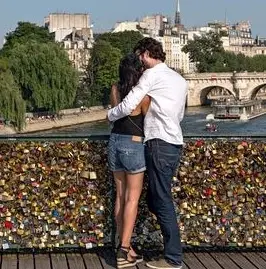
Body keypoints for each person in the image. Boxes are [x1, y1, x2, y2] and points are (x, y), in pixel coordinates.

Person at [108, 37, 188, 269]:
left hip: (156, 142)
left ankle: (172, 258)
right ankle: (138, 248)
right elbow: (180, 115)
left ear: (144, 53)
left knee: (159, 201)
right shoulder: (180, 79)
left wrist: (110, 116)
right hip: (173, 142)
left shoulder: (150, 76)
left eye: (140, 56)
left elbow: (128, 105)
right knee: (158, 198)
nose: (141, 63)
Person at [107, 53, 151, 268]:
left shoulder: (115, 88)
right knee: (132, 199)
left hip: (115, 142)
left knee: (120, 197)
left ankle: (127, 247)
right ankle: (123, 251)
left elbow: (115, 113)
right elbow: (149, 121)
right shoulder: (142, 95)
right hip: (133, 145)